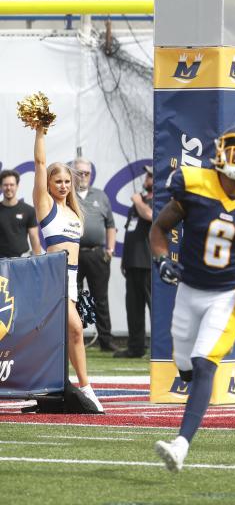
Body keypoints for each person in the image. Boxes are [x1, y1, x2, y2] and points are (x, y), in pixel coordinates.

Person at [152, 125, 235, 473]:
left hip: (225, 296)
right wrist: (163, 258)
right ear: (221, 149)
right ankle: (200, 392)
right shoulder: (194, 183)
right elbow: (159, 228)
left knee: (203, 361)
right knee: (182, 361)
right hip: (189, 288)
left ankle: (181, 444)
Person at [32, 127, 103, 411]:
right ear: (48, 184)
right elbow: (39, 163)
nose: (62, 185)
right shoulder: (45, 206)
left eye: (66, 182)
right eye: (57, 181)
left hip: (71, 278)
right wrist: (40, 131)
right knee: (74, 330)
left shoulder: (75, 212)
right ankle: (86, 388)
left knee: (63, 334)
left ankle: (49, 387)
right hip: (52, 277)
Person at [73, 156, 118, 353]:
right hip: (73, 254)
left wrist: (110, 250)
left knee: (100, 298)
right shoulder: (67, 195)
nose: (83, 176)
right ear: (73, 174)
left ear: (91, 175)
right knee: (74, 298)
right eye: (79, 172)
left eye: (86, 173)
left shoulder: (101, 196)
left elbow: (110, 225)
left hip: (97, 255)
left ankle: (106, 341)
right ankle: (75, 339)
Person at [116, 165, 153, 359]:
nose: (147, 178)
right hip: (132, 262)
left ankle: (161, 348)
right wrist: (124, 260)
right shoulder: (140, 200)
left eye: (151, 175)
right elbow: (130, 230)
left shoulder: (160, 198)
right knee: (133, 308)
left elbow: (150, 216)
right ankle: (135, 347)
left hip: (148, 262)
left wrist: (138, 201)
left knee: (154, 307)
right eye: (147, 174)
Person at [0, 169, 42, 258]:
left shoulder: (28, 210)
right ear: (1, 186)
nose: (8, 188)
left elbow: (34, 237)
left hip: (21, 261)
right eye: (5, 185)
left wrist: (39, 262)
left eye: (12, 185)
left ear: (17, 186)